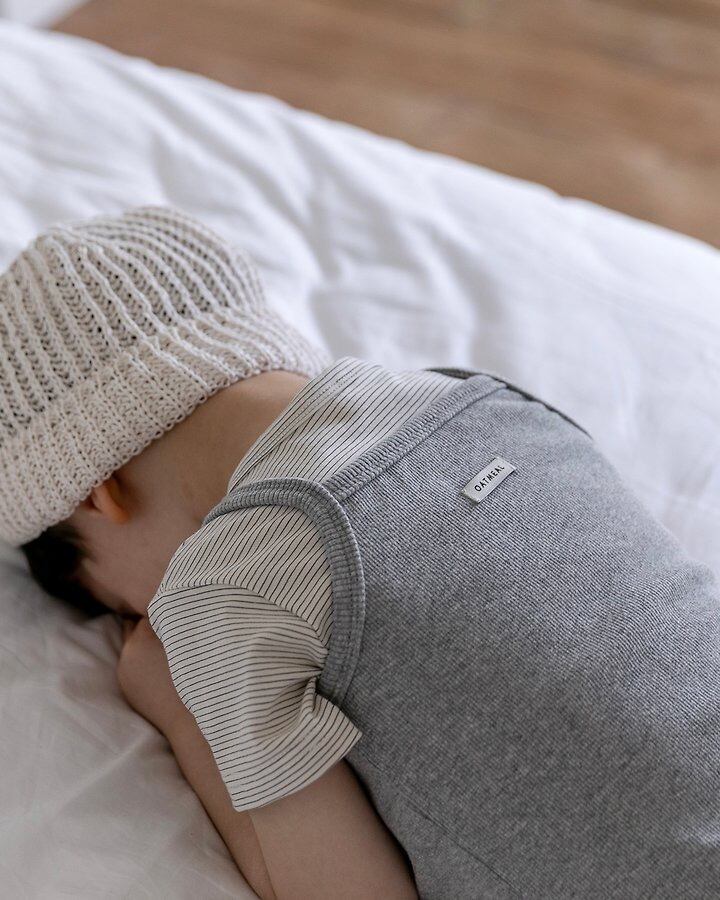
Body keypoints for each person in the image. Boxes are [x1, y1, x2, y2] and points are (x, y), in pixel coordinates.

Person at [8, 205, 720, 900]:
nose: (146, 619)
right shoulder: (496, 401)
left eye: (126, 605)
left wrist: (181, 714)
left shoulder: (219, 590)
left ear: (98, 496)